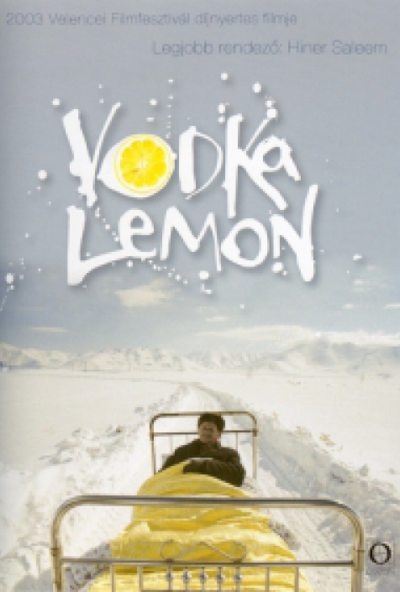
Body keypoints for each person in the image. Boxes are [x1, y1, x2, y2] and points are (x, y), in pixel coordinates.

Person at [160, 412, 245, 487]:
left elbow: (238, 476)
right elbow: (162, 475)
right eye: (204, 428)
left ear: (219, 434)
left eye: (211, 430)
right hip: (185, 495)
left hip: (216, 496)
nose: (207, 432)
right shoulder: (182, 452)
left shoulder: (228, 454)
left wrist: (203, 466)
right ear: (198, 430)